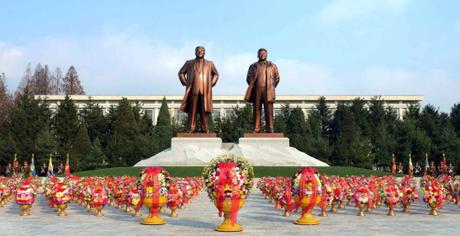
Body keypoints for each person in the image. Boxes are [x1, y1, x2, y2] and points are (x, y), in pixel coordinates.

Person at [178, 46, 219, 133]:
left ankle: (205, 128)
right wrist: (186, 83)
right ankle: (191, 128)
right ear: (195, 52)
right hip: (193, 90)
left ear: (205, 52)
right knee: (192, 110)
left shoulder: (210, 64)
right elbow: (181, 73)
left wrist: (211, 83)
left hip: (205, 90)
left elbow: (216, 74)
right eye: (198, 50)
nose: (200, 52)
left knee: (204, 110)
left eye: (202, 51)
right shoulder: (189, 63)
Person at [244, 48, 280, 133]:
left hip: (268, 90)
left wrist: (272, 87)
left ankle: (270, 128)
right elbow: (248, 78)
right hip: (257, 90)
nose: (262, 54)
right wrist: (253, 86)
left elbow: (277, 78)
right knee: (257, 110)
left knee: (269, 111)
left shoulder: (272, 65)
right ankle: (256, 128)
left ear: (267, 55)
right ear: (257, 55)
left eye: (264, 53)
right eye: (261, 53)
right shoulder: (253, 66)